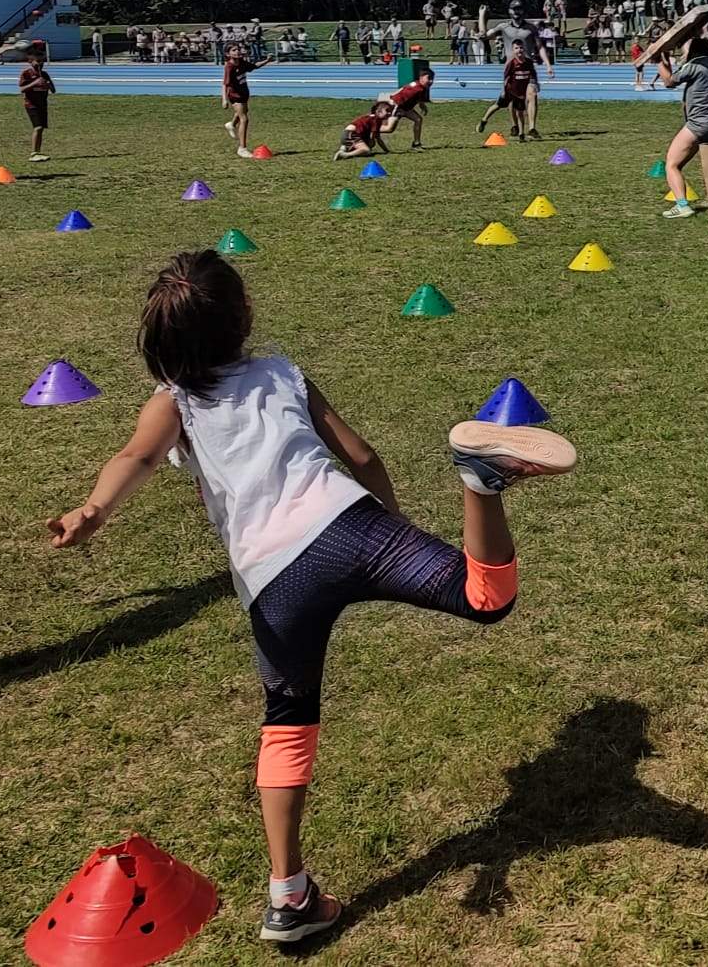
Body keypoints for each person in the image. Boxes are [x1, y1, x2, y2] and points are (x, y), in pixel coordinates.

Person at [45, 251, 574, 945]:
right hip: (351, 527)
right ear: (245, 316)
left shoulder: (173, 401)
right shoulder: (281, 371)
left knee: (288, 722)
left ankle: (288, 896)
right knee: (485, 597)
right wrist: (391, 529)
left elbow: (135, 458)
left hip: (274, 578)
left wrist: (92, 510)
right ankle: (479, 483)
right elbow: (361, 456)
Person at [658, 24, 708, 220]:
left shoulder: (694, 65)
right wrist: (666, 59)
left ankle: (682, 206)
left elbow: (669, 82)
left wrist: (657, 60)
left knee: (672, 165)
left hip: (698, 126)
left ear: (692, 51)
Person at [223, 43, 274, 159]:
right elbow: (225, 84)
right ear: (228, 54)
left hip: (244, 93)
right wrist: (224, 99)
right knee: (244, 119)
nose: (237, 51)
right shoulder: (229, 67)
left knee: (243, 111)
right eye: (234, 50)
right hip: (235, 96)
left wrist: (267, 61)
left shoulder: (241, 62)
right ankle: (242, 148)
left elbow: (254, 66)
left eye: (238, 49)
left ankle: (231, 124)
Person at [477, 43, 537, 141]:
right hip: (509, 91)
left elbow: (533, 75)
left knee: (520, 112)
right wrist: (504, 90)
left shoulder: (528, 62)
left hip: (520, 93)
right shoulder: (512, 63)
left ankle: (521, 134)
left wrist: (534, 84)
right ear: (513, 51)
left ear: (524, 49)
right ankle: (484, 120)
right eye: (516, 48)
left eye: (521, 48)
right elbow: (506, 77)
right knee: (497, 106)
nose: (519, 50)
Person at [380, 67, 435, 148]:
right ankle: (370, 129)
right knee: (389, 129)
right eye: (429, 78)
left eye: (432, 79)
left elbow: (418, 97)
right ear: (421, 77)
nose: (431, 81)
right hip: (397, 107)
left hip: (406, 108)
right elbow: (397, 98)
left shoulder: (421, 87)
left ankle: (416, 143)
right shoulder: (414, 89)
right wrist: (394, 110)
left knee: (418, 119)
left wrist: (422, 106)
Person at [19, 42, 55, 162]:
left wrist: (48, 85)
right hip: (31, 104)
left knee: (41, 128)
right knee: (38, 127)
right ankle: (34, 153)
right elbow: (22, 89)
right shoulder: (26, 74)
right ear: (30, 61)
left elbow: (53, 90)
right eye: (37, 61)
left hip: (42, 104)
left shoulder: (44, 74)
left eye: (42, 61)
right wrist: (35, 83)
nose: (40, 64)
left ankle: (38, 152)